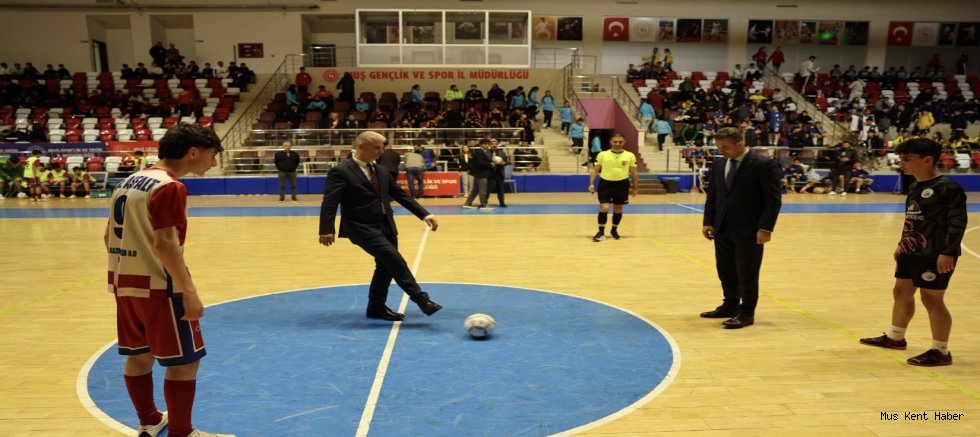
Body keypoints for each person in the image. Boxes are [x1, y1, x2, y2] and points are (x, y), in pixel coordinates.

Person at [105, 123, 234, 437]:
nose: (213, 162)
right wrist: (187, 290)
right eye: (212, 155)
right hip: (161, 289)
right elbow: (165, 243)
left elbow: (108, 236)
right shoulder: (170, 187)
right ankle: (182, 432)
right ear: (193, 152)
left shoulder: (129, 180)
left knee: (139, 356)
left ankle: (149, 420)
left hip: (125, 284)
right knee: (184, 363)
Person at [860, 139, 967, 367]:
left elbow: (958, 223)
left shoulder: (948, 188)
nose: (902, 163)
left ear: (927, 160)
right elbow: (912, 220)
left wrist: (948, 253)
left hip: (935, 254)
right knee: (901, 292)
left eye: (907, 159)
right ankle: (895, 337)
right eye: (901, 159)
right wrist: (902, 244)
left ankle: (940, 351)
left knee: (932, 299)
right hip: (911, 251)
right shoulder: (915, 186)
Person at [318, 131, 442, 321]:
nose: (381, 151)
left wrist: (425, 214)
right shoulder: (341, 171)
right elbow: (330, 201)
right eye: (377, 147)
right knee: (394, 260)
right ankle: (421, 299)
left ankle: (376, 307)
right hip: (360, 227)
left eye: (382, 147)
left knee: (385, 266)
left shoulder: (381, 170)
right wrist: (326, 228)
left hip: (386, 225)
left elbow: (401, 195)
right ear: (360, 146)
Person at [700, 127, 783, 329]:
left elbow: (773, 200)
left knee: (747, 273)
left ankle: (746, 313)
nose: (721, 151)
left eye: (725, 147)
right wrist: (708, 221)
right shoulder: (719, 164)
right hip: (722, 227)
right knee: (725, 270)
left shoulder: (763, 164)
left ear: (740, 143)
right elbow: (713, 196)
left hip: (750, 229)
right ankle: (730, 305)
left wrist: (766, 228)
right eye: (718, 147)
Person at [588, 133, 638, 242]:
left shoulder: (630, 155)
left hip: (622, 184)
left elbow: (634, 172)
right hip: (605, 184)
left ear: (624, 142)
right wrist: (591, 183)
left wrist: (635, 187)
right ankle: (601, 232)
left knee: (618, 208)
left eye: (620, 142)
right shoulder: (602, 154)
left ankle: (614, 230)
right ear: (611, 142)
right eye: (615, 141)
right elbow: (595, 170)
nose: (617, 143)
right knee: (604, 207)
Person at [462, 138, 494, 210]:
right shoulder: (479, 152)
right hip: (481, 174)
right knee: (483, 190)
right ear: (481, 145)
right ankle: (483, 205)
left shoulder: (484, 152)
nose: (487, 145)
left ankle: (467, 203)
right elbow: (481, 163)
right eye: (485, 144)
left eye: (488, 144)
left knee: (475, 190)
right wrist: (491, 164)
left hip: (479, 174)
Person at [488, 139, 509, 207]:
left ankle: (502, 203)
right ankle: (484, 203)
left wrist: (504, 163)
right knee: (487, 189)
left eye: (495, 144)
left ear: (497, 145)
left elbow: (507, 162)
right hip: (489, 173)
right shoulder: (486, 153)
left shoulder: (502, 153)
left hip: (499, 173)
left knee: (500, 189)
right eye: (492, 144)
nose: (494, 145)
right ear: (490, 145)